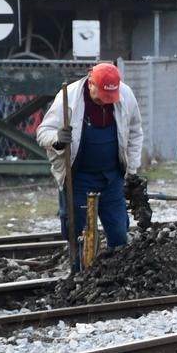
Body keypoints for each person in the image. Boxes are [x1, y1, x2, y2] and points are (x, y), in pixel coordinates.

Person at [35, 62, 145, 254]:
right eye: (102, 96)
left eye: (109, 97)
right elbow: (43, 132)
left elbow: (135, 132)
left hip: (112, 177)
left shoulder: (125, 95)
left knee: (119, 233)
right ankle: (78, 274)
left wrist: (132, 170)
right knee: (76, 233)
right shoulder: (69, 98)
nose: (105, 101)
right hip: (79, 178)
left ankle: (116, 273)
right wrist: (57, 139)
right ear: (91, 83)